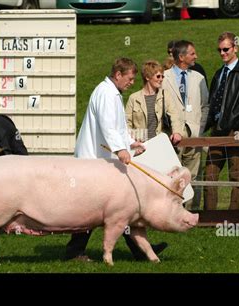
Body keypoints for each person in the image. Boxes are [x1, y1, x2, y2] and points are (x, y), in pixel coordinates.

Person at [66, 57, 168, 262]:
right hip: (93, 162)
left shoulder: (112, 93)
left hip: (100, 161)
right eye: (129, 78)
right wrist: (121, 150)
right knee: (93, 209)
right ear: (118, 74)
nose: (132, 82)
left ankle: (140, 249)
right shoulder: (106, 93)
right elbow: (107, 126)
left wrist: (131, 143)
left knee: (120, 208)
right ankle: (74, 252)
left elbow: (117, 128)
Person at [203, 32, 239, 211]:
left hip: (236, 131)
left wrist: (235, 123)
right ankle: (209, 217)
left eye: (226, 49)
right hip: (217, 130)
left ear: (235, 48)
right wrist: (207, 126)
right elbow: (213, 103)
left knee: (237, 175)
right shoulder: (219, 73)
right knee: (209, 175)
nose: (222, 53)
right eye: (219, 50)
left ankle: (234, 215)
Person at [162, 40, 210, 210]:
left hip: (194, 134)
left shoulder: (199, 78)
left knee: (193, 174)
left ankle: (191, 211)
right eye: (192, 53)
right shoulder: (164, 77)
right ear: (181, 57)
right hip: (172, 135)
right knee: (172, 174)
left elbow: (205, 106)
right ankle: (170, 211)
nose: (196, 56)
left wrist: (199, 128)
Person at [125, 60, 184, 144]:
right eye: (158, 76)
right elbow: (127, 122)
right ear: (147, 77)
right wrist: (132, 139)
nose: (161, 79)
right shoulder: (133, 98)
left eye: (162, 77)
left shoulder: (165, 95)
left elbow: (174, 115)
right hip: (140, 145)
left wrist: (177, 132)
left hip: (160, 143)